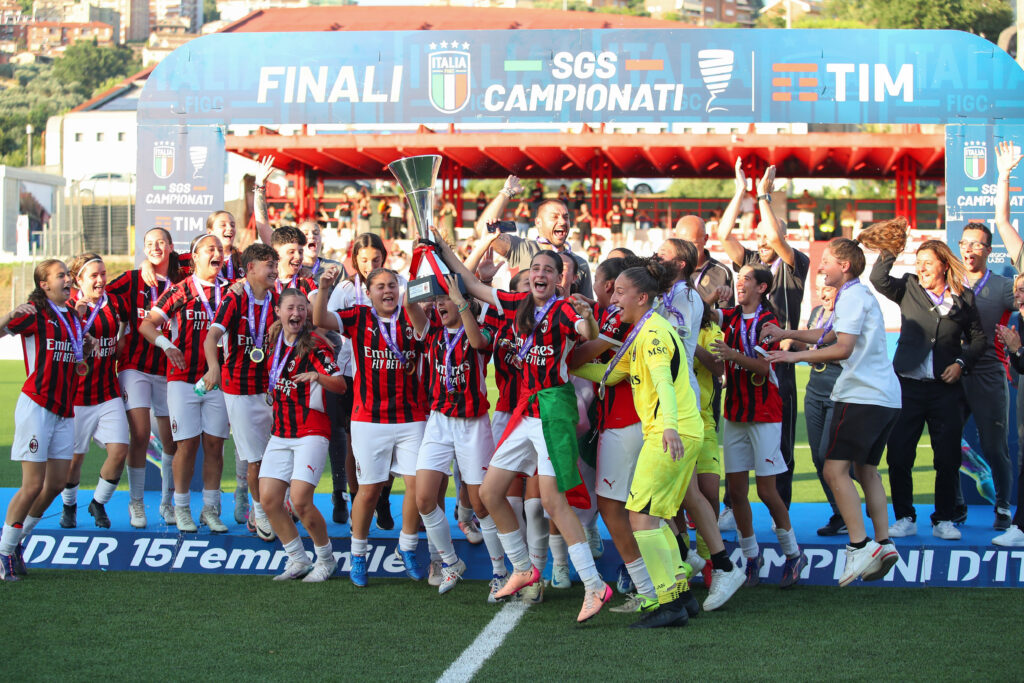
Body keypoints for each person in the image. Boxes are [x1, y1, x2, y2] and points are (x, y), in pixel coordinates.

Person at [433, 234, 611, 623]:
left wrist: (588, 317)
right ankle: (522, 567)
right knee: (491, 491)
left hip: (553, 410)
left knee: (552, 503)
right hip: (525, 411)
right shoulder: (516, 303)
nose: (540, 274)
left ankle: (595, 586)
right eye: (535, 269)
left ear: (559, 279)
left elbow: (588, 334)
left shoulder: (564, 309)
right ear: (527, 277)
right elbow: (471, 281)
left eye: (549, 270)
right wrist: (443, 250)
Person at [573, 259, 712, 627]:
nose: (613, 298)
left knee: (641, 517)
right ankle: (680, 595)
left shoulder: (650, 334)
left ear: (642, 296)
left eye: (620, 292)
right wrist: (566, 367)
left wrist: (667, 427)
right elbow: (612, 372)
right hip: (683, 430)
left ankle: (667, 602)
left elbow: (664, 382)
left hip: (670, 434)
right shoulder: (647, 329)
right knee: (656, 516)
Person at [763, 236, 903, 585]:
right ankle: (883, 543)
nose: (820, 266)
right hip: (884, 397)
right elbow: (825, 335)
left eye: (826, 260)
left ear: (845, 266)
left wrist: (793, 355)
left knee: (833, 470)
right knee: (865, 469)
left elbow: (841, 348)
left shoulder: (853, 296)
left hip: (862, 396)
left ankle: (859, 546)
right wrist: (787, 332)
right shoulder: (855, 294)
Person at [864, 218, 985, 541]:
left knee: (947, 457)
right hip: (907, 387)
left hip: (946, 391)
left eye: (928, 263)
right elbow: (877, 277)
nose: (922, 268)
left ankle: (944, 518)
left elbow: (978, 340)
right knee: (900, 455)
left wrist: (961, 362)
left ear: (944, 266)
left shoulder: (964, 299)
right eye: (918, 263)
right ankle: (905, 516)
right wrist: (892, 247)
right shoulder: (908, 287)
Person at [314, 264, 425, 587]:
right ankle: (358, 554)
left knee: (417, 486)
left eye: (392, 285)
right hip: (369, 418)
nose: (387, 291)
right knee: (369, 491)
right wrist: (323, 288)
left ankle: (407, 547)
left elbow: (424, 329)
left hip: (410, 417)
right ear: (369, 291)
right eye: (380, 286)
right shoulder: (359, 316)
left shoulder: (411, 314)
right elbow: (321, 320)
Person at [406, 275, 507, 596]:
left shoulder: (481, 332)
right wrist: (426, 269)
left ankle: (501, 572)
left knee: (480, 505)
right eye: (438, 300)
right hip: (438, 422)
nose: (438, 304)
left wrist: (458, 297)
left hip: (472, 425)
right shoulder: (433, 333)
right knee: (423, 498)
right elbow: (409, 303)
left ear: (464, 302)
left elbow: (479, 344)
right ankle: (451, 562)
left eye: (444, 299)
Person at [717, 159, 808, 512]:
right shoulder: (750, 266)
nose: (761, 240)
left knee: (781, 446)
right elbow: (724, 234)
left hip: (778, 365)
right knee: (736, 438)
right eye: (757, 235)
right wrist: (741, 191)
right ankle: (732, 506)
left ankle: (778, 510)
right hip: (741, 364)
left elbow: (774, 236)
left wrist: (765, 197)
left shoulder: (793, 264)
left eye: (768, 234)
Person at [710, 264, 806, 588]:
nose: (740, 284)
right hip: (736, 414)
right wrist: (712, 297)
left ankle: (793, 554)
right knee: (736, 491)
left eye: (747, 279)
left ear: (762, 288)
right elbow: (707, 315)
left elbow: (765, 368)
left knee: (766, 490)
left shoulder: (769, 322)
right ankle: (751, 557)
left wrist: (732, 354)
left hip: (765, 413)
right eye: (738, 279)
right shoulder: (731, 317)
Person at [140, 234, 232, 533]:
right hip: (183, 379)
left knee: (215, 445)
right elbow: (146, 324)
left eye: (220, 249)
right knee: (187, 445)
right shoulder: (180, 291)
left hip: (218, 380)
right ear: (194, 257)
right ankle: (180, 508)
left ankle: (210, 509)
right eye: (210, 249)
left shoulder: (232, 293)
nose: (217, 253)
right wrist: (167, 344)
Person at [0, 260, 85, 580]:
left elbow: (72, 355)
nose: (67, 279)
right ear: (45, 285)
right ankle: (5, 551)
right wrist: (10, 315)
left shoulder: (74, 316)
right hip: (37, 406)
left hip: (64, 409)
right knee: (33, 484)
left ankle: (16, 541)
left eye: (67, 274)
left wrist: (85, 348)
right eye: (60, 276)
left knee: (55, 485)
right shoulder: (35, 313)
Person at [261, 289, 347, 582]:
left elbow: (339, 385)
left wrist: (316, 377)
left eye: (301, 308)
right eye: (290, 308)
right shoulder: (272, 339)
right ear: (279, 312)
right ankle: (297, 559)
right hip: (281, 431)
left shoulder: (316, 346)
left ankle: (326, 560)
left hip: (311, 430)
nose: (296, 313)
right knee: (269, 500)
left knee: (300, 501)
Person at [106, 228, 184, 526]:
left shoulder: (182, 278)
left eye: (160, 243)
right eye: (149, 244)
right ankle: (136, 503)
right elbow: (102, 296)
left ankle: (166, 504)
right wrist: (121, 325)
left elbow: (212, 257)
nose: (155, 248)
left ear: (171, 246)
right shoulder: (131, 279)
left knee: (171, 442)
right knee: (139, 433)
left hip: (169, 370)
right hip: (134, 366)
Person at [326, 232, 404, 529]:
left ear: (385, 257)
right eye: (364, 260)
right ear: (354, 260)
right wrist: (351, 339)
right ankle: (354, 495)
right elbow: (327, 322)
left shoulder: (397, 284)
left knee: (391, 440)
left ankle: (383, 497)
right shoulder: (346, 288)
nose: (370, 264)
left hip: (388, 372)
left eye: (376, 259)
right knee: (352, 440)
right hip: (350, 372)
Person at [204, 243, 280, 541]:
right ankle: (260, 513)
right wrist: (213, 368)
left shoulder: (278, 300)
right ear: (250, 269)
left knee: (275, 454)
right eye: (269, 266)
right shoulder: (234, 300)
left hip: (271, 389)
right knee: (255, 458)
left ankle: (267, 507)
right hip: (239, 388)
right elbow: (212, 338)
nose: (275, 270)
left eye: (275, 265)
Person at [59, 254, 132, 530]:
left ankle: (98, 503)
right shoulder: (67, 307)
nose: (101, 279)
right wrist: (75, 321)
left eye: (103, 273)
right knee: (75, 458)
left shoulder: (113, 302)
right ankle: (68, 507)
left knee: (119, 450)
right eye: (93, 275)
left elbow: (126, 322)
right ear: (78, 280)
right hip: (75, 396)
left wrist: (121, 341)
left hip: (107, 391)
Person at [955, 221, 1016, 530]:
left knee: (994, 447)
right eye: (965, 243)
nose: (969, 248)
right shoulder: (949, 282)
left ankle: (1004, 506)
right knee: (947, 441)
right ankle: (954, 506)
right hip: (953, 373)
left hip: (989, 374)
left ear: (989, 251)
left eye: (977, 244)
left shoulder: (1004, 287)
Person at [477, 175, 594, 298]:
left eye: (566, 217)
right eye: (554, 217)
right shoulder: (522, 248)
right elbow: (483, 229)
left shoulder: (580, 264)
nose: (563, 222)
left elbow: (588, 310)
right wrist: (506, 193)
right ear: (538, 222)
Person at [800, 274, 847, 536]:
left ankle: (867, 502)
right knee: (819, 458)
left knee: (834, 460)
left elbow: (842, 351)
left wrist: (807, 351)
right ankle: (839, 513)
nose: (822, 294)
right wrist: (791, 342)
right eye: (818, 289)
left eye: (827, 288)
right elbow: (812, 347)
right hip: (814, 392)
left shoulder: (848, 314)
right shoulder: (817, 312)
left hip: (840, 394)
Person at [993, 276, 1024, 546]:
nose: (1019, 294)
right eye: (1017, 289)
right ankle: (1020, 527)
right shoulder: (1019, 321)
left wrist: (1016, 349)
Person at [674, 215, 734, 306]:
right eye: (681, 243)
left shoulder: (721, 273)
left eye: (692, 244)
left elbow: (725, 315)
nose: (685, 250)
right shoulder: (667, 269)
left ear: (705, 239)